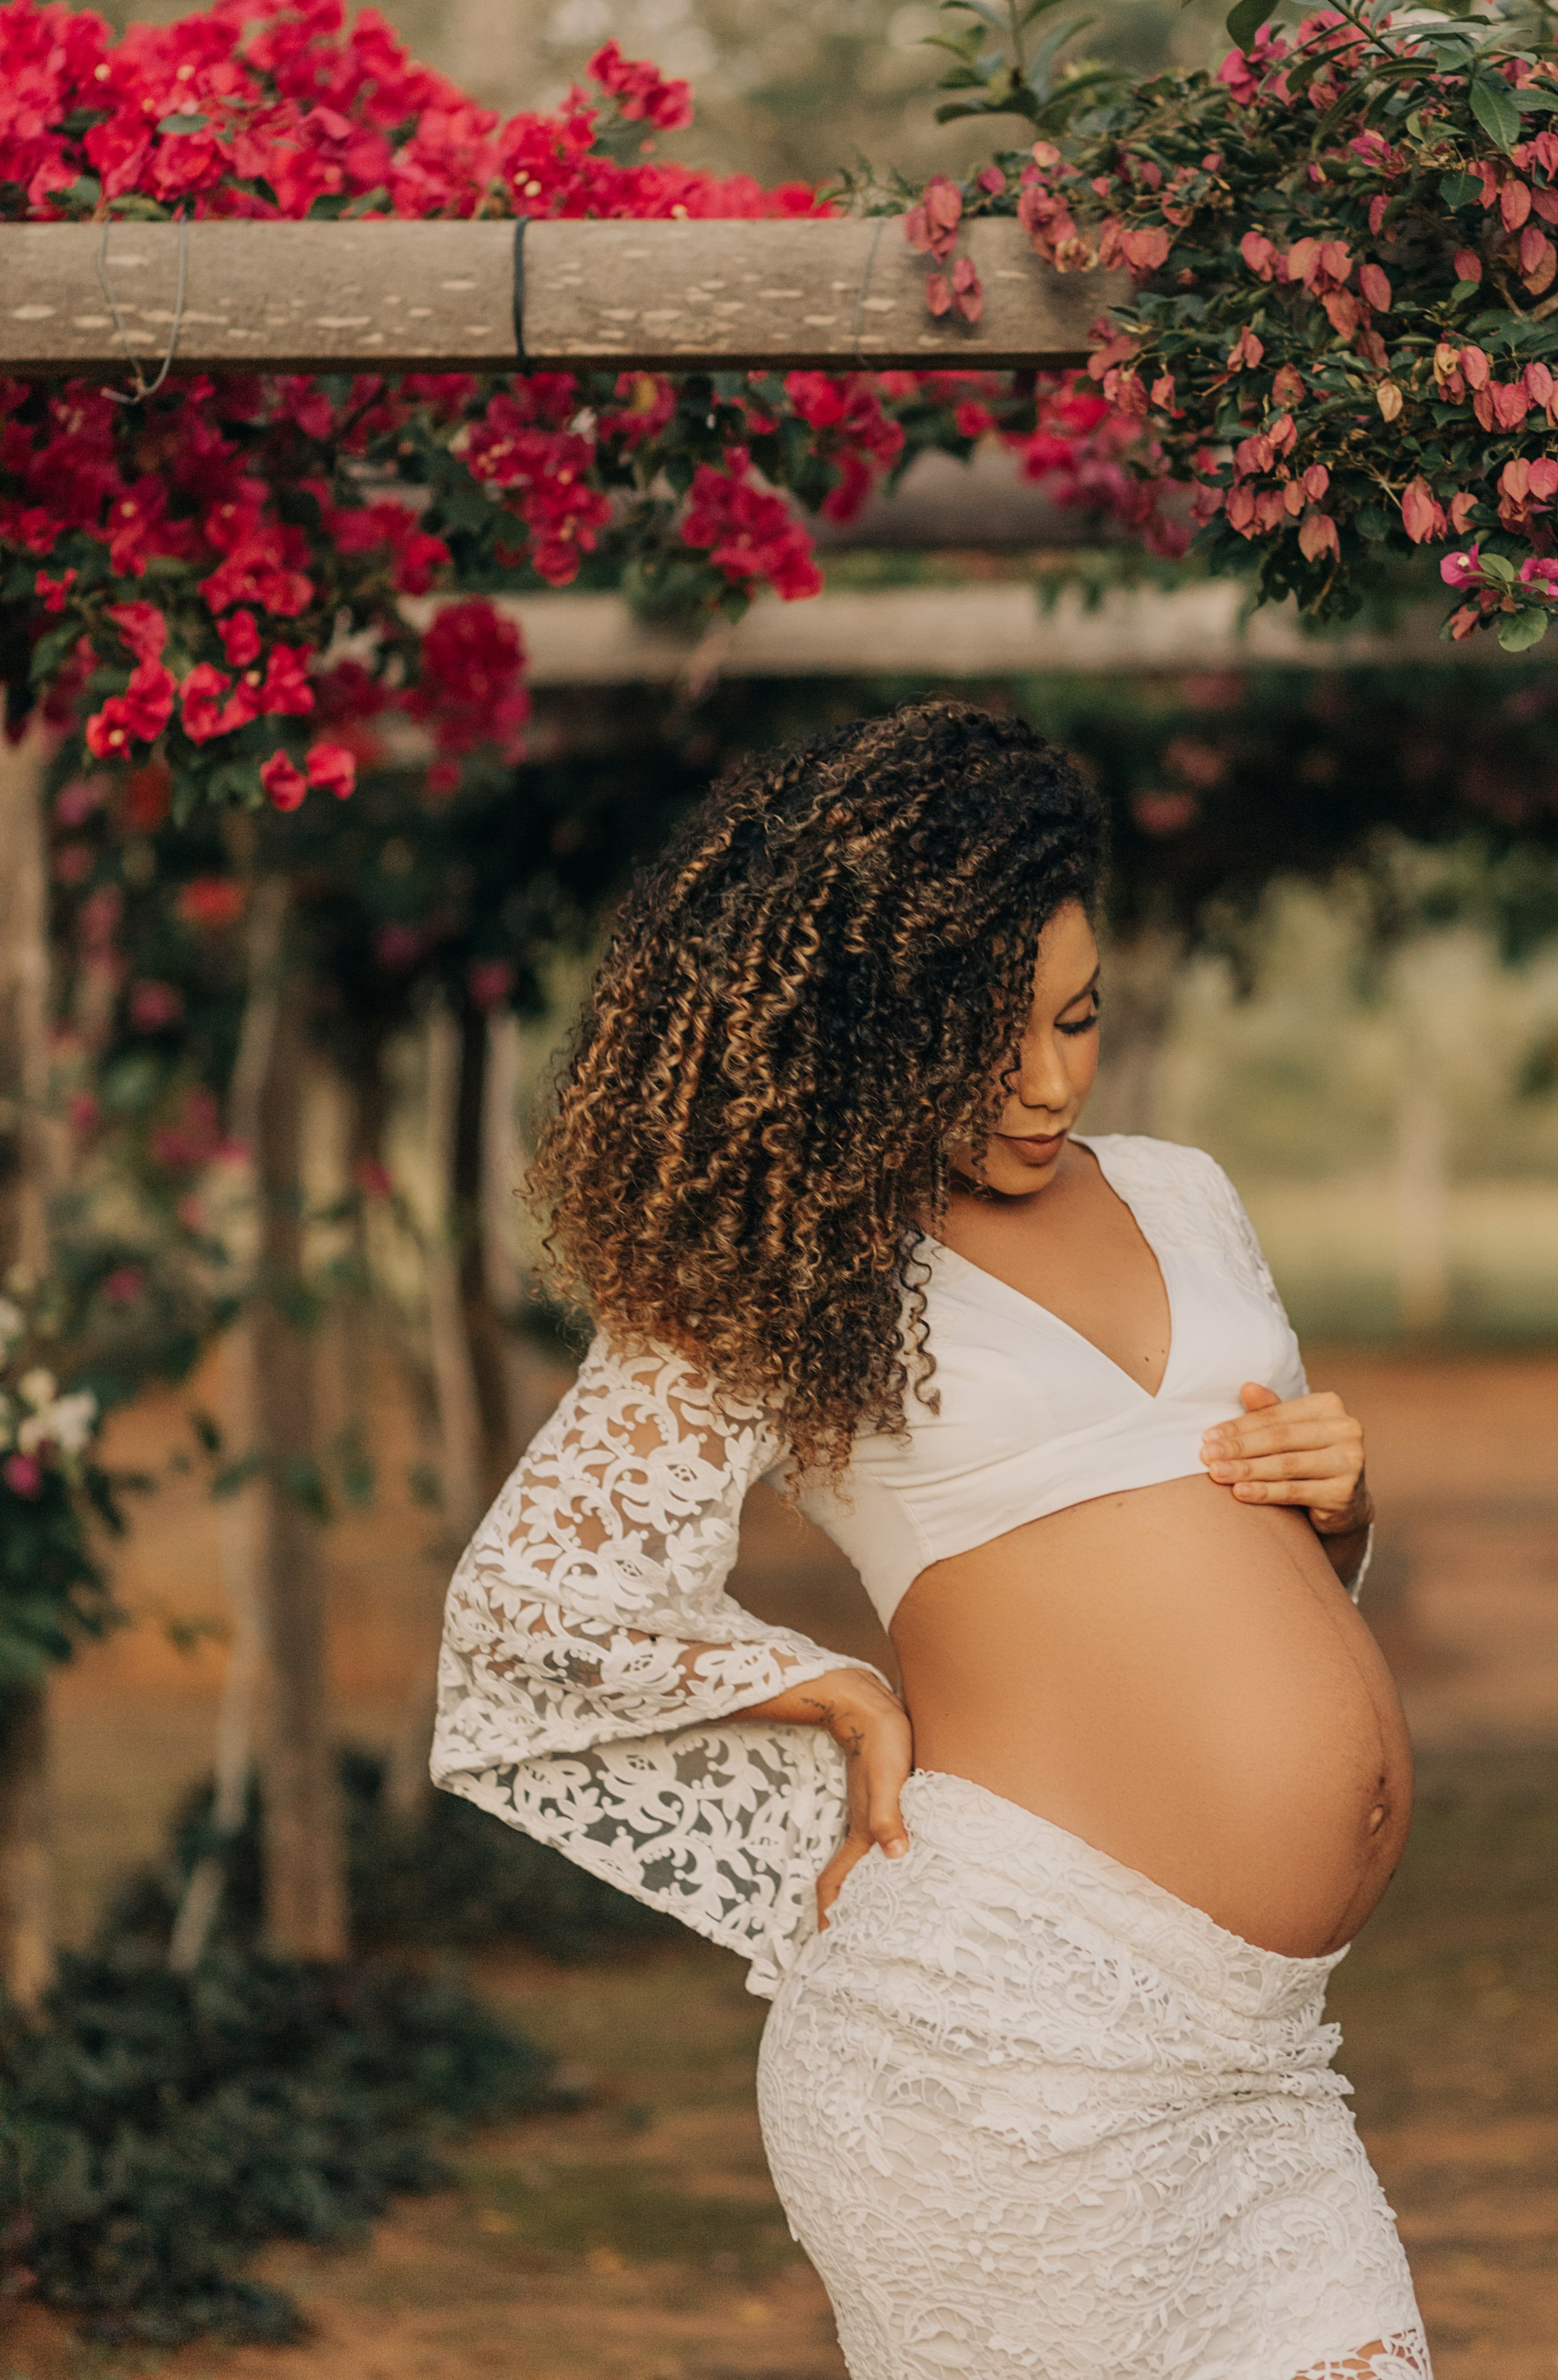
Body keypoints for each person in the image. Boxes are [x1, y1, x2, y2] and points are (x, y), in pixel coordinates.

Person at [433, 701, 1429, 2380]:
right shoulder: (786, 1269)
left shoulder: (1182, 1193)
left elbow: (1206, 1587)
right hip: (996, 2038)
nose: (1046, 1082)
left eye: (1078, 1020)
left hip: (1265, 2061)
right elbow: (533, 1610)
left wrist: (1339, 1509)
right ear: (866, 1028)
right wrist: (832, 1691)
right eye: (988, 1035)